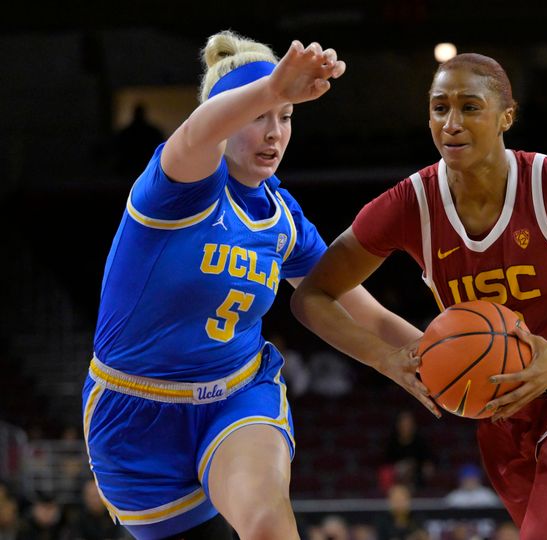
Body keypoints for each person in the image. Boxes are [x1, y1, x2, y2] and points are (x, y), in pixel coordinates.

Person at [291, 52, 547, 538]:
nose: (452, 122)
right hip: (501, 413)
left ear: (507, 116)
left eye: (469, 107)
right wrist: (386, 358)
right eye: (440, 108)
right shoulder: (410, 204)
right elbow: (312, 294)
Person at [82, 31, 421, 540]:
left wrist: (441, 359)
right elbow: (197, 132)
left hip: (237, 395)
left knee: (267, 524)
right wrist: (271, 89)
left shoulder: (283, 219)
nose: (274, 134)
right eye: (258, 117)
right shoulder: (176, 186)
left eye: (285, 118)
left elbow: (366, 313)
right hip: (134, 415)